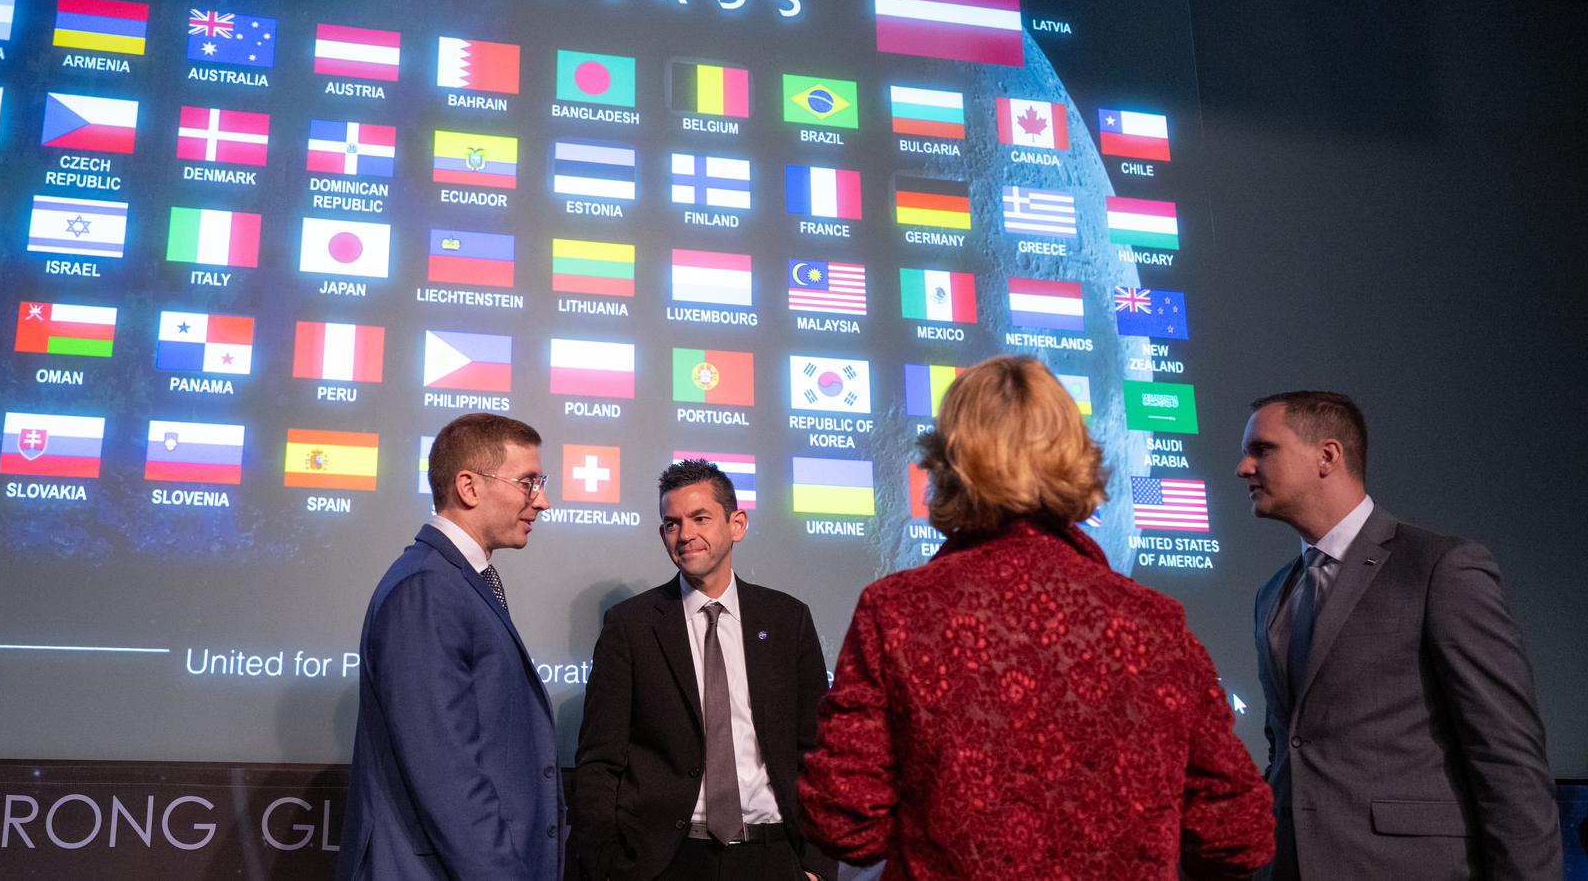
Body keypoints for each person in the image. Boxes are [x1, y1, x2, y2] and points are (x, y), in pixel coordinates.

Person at [799, 355, 1274, 879]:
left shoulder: (897, 611)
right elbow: (1238, 833)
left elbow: (845, 821)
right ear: (1074, 454)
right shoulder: (1153, 621)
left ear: (948, 463)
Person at [1238, 391, 1560, 879]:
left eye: (1262, 449)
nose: (1244, 467)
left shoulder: (1441, 569)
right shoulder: (1272, 595)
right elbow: (1289, 750)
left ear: (1327, 456)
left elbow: (1507, 758)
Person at [569, 458, 835, 880]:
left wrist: (817, 867)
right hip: (666, 862)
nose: (685, 534)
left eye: (700, 518)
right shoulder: (631, 626)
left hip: (772, 857)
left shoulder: (787, 619)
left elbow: (818, 753)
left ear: (737, 525)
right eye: (672, 523)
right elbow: (600, 761)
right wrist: (608, 863)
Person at [336, 413, 564, 881]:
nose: (542, 501)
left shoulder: (456, 581)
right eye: (528, 483)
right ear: (469, 487)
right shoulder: (427, 588)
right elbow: (446, 773)